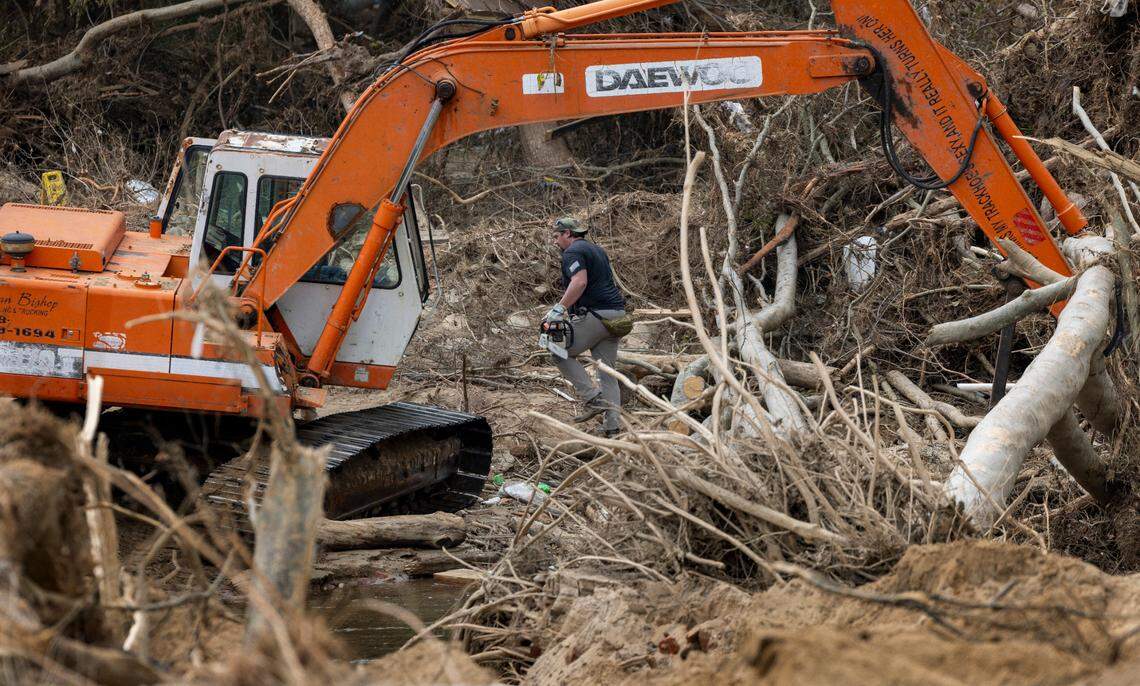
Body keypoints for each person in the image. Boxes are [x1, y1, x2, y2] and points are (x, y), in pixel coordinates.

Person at [543, 217, 627, 436]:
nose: (555, 241)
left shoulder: (572, 252)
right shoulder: (597, 250)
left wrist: (559, 309)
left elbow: (579, 281)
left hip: (596, 315)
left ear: (568, 234)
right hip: (616, 316)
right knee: (607, 372)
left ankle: (592, 398)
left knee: (557, 350)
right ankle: (612, 428)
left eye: (557, 236)